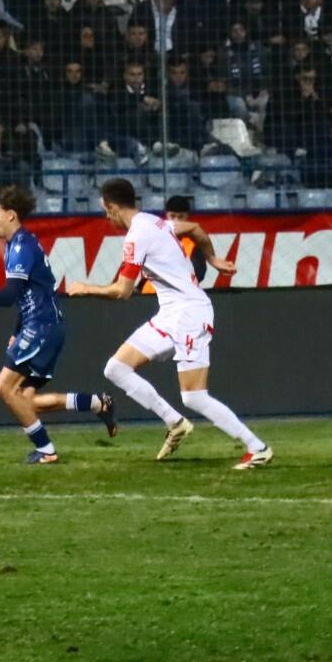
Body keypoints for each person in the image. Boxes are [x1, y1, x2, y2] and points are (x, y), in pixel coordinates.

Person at [65, 178, 273, 470]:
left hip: (189, 314)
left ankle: (257, 448)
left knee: (194, 397)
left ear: (112, 207)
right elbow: (195, 228)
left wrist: (86, 288)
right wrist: (212, 258)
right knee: (116, 368)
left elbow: (123, 291)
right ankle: (174, 422)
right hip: (170, 314)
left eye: (105, 211)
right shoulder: (154, 221)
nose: (106, 217)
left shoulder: (136, 236)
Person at [0, 186, 118, 464]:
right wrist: (17, 332)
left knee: (4, 388)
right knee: (26, 400)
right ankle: (98, 403)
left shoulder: (21, 248)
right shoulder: (19, 244)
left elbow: (7, 297)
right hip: (44, 326)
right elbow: (28, 296)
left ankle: (46, 450)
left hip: (42, 327)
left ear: (11, 215)